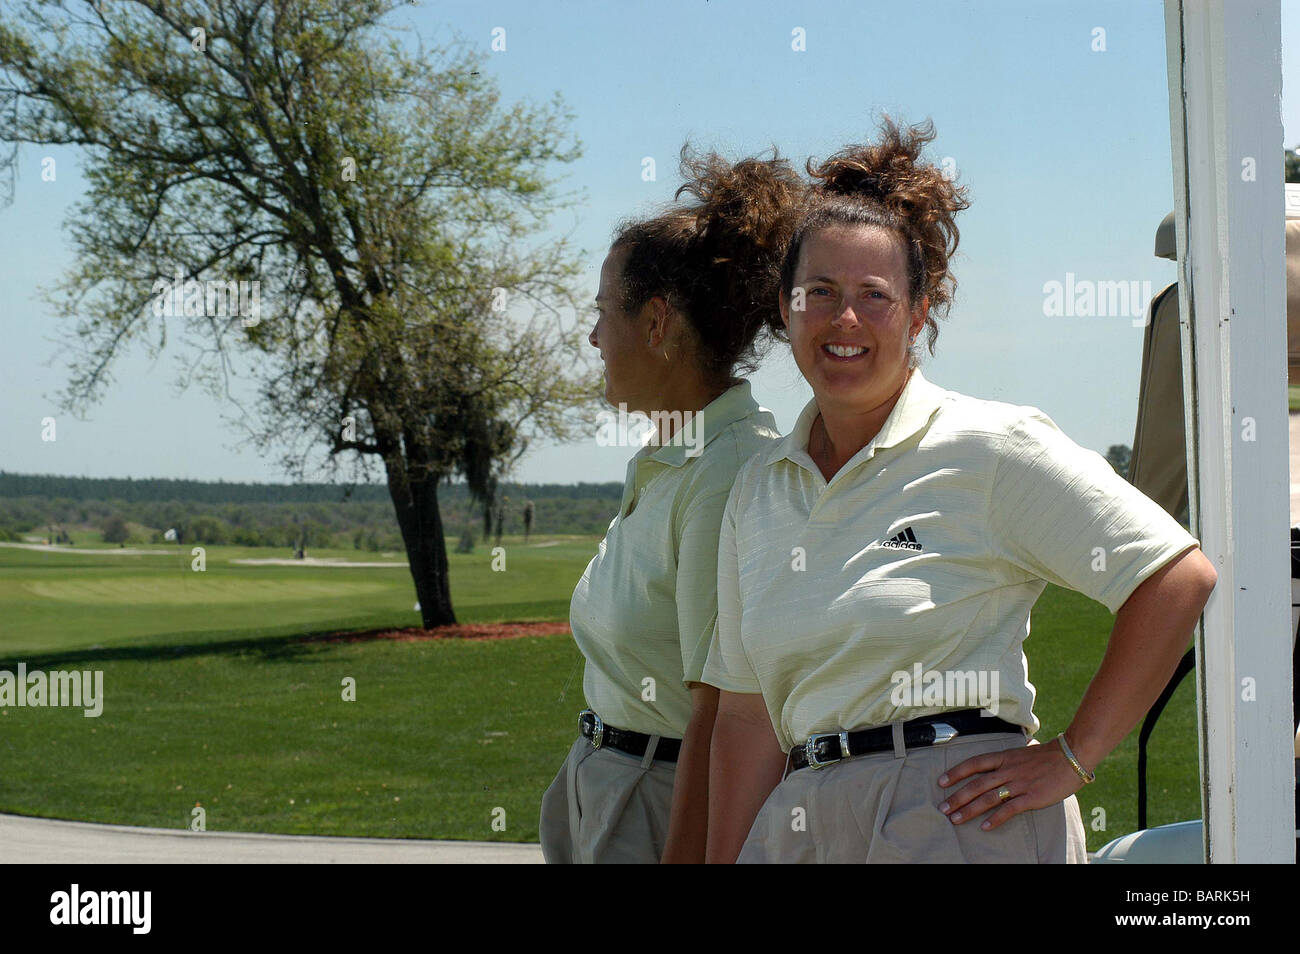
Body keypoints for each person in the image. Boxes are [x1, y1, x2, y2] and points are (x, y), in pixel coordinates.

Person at [701, 117, 1219, 864]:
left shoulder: (988, 446)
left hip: (956, 810)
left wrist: (1075, 758)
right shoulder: (758, 490)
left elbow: (1174, 577)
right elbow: (746, 719)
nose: (845, 318)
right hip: (803, 821)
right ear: (785, 309)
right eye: (820, 291)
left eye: (874, 295)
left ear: (919, 313)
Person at [538, 149, 804, 863]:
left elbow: (718, 718)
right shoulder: (670, 460)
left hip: (656, 806)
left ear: (656, 324)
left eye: (602, 313)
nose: (593, 338)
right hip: (606, 781)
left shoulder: (724, 477)